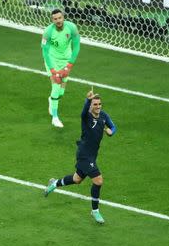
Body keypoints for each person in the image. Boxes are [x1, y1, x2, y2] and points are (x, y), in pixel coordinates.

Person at [44, 91, 116, 223]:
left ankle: (54, 183)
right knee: (98, 181)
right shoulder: (86, 117)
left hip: (92, 155)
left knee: (77, 179)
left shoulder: (104, 116)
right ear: (91, 106)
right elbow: (83, 112)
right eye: (95, 104)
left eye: (99, 104)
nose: (98, 106)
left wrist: (111, 131)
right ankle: (95, 211)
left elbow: (113, 127)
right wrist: (87, 100)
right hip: (84, 155)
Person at [41, 9, 80, 128]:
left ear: (63, 17)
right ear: (52, 20)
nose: (58, 20)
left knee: (61, 93)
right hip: (52, 60)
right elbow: (45, 51)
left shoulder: (72, 28)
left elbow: (77, 46)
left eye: (60, 18)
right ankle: (55, 117)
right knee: (56, 86)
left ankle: (52, 99)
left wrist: (69, 66)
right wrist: (52, 70)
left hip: (66, 61)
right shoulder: (48, 32)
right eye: (55, 19)